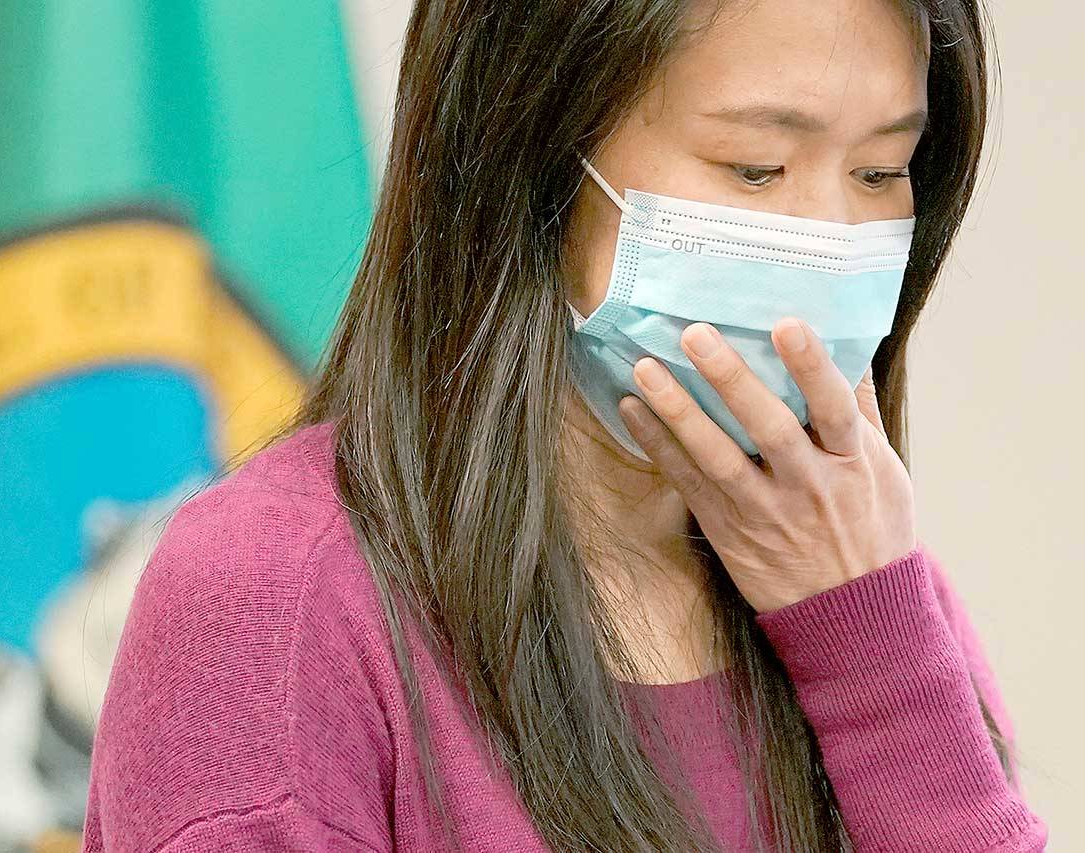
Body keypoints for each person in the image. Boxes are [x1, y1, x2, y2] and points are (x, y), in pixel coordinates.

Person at [82, 0, 1049, 849]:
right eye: (756, 168)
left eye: (881, 171)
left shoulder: (863, 588)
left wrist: (872, 647)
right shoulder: (275, 597)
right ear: (533, 156)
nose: (831, 238)